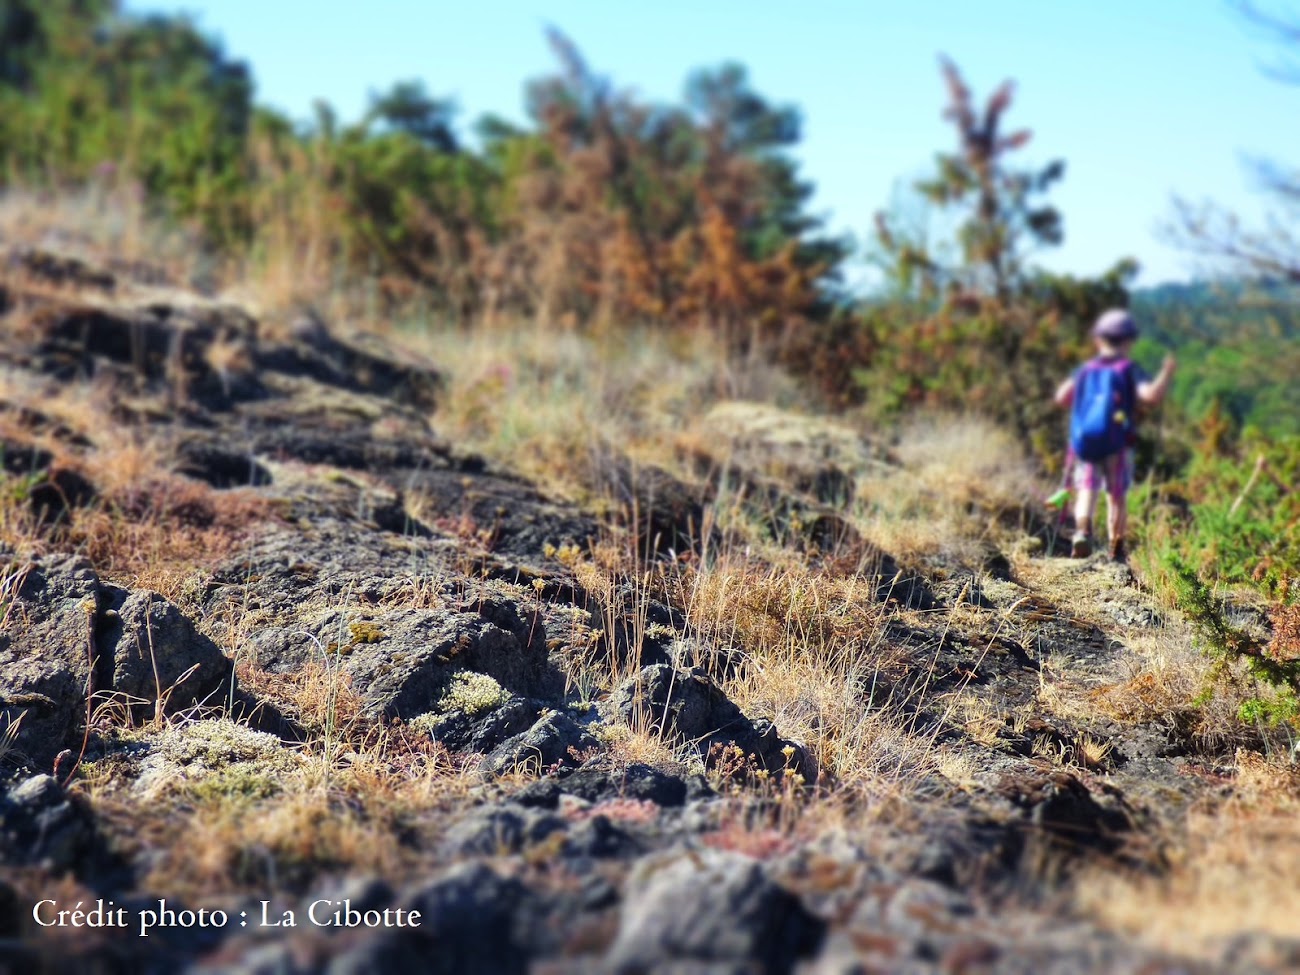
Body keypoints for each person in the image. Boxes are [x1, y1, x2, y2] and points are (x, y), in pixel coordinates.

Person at [1053, 308, 1176, 561]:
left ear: (1099, 339)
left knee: (1087, 487)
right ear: (1129, 340)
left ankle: (1082, 532)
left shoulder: (1085, 369)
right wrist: (1166, 373)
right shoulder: (1129, 369)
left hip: (1085, 440)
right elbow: (1150, 396)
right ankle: (1116, 549)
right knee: (1116, 495)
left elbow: (1062, 397)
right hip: (1117, 442)